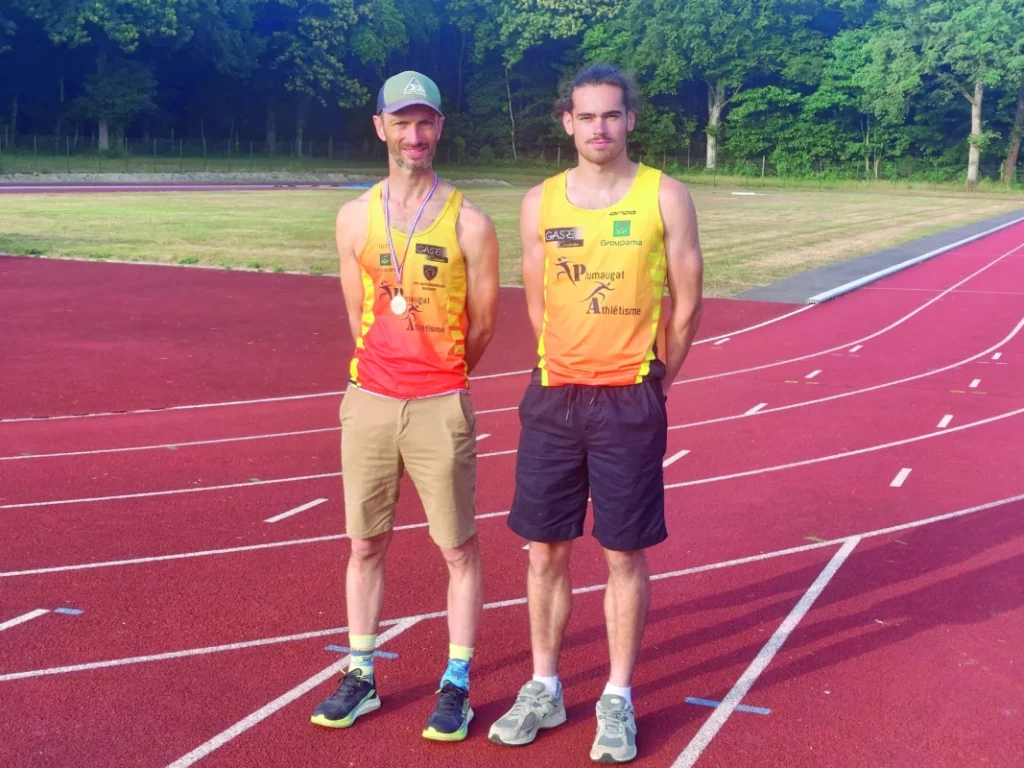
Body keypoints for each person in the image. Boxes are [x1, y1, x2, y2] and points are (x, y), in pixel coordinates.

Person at [488, 64, 704, 763]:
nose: (600, 127)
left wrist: (657, 381)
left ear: (630, 119)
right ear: (567, 122)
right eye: (587, 116)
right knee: (545, 550)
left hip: (629, 399)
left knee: (621, 552)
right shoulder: (539, 203)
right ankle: (546, 686)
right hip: (554, 396)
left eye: (611, 115)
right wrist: (561, 361)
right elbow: (536, 298)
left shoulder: (664, 195)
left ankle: (616, 696)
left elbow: (688, 301)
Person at [310, 70, 500, 742]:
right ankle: (359, 672)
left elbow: (482, 325)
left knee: (457, 548)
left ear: (439, 128)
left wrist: (440, 376)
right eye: (402, 122)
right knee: (364, 543)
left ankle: (455, 682)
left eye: (425, 123)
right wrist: (385, 375)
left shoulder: (470, 221)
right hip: (368, 401)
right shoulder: (352, 217)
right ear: (380, 127)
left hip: (439, 403)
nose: (414, 135)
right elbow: (354, 310)